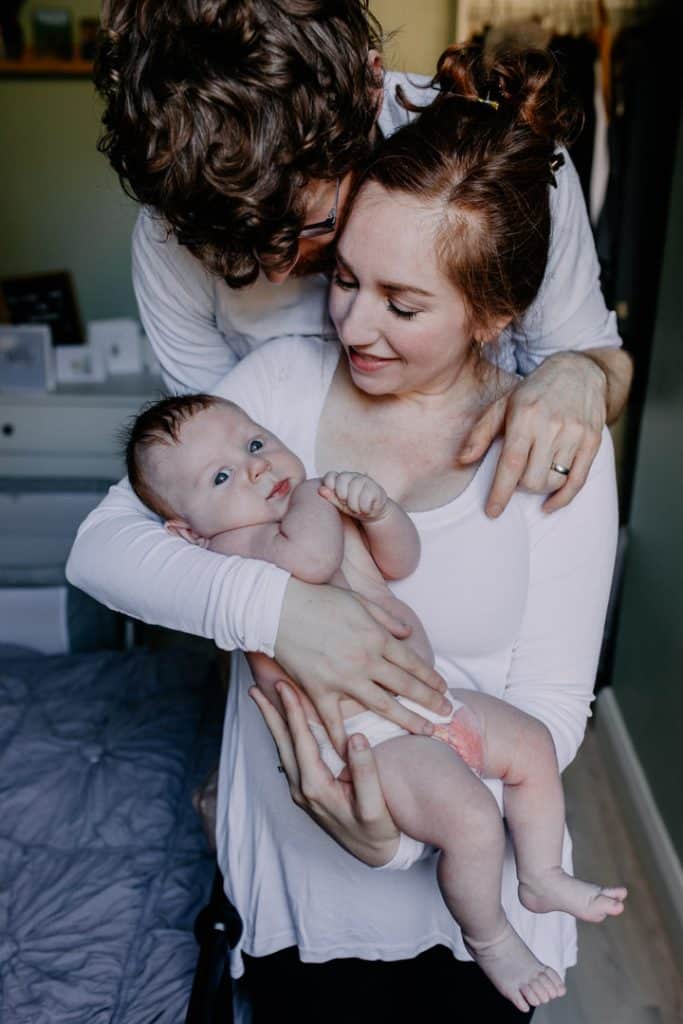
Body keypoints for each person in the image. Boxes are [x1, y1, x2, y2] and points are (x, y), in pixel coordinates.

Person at [69, 43, 620, 1019]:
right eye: (345, 278)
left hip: (474, 891)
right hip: (297, 900)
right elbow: (113, 543)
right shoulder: (276, 392)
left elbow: (548, 713)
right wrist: (280, 611)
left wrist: (399, 834)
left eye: (401, 303)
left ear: (492, 315)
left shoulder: (552, 440)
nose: (353, 326)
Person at [78, 0, 632, 763]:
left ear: (371, 90)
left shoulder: (503, 162)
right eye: (237, 249)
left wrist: (576, 373)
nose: (276, 269)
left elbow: (598, 361)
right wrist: (281, 618)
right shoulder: (181, 226)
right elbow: (207, 513)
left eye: (306, 231)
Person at [124, 391, 627, 1011]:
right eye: (221, 477)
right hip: (372, 739)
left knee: (532, 745)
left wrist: (380, 512)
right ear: (187, 530)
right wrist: (314, 496)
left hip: (431, 702)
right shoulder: (234, 549)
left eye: (255, 444)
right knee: (472, 823)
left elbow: (400, 561)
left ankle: (541, 874)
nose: (255, 468)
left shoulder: (306, 510)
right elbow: (310, 561)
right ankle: (491, 937)